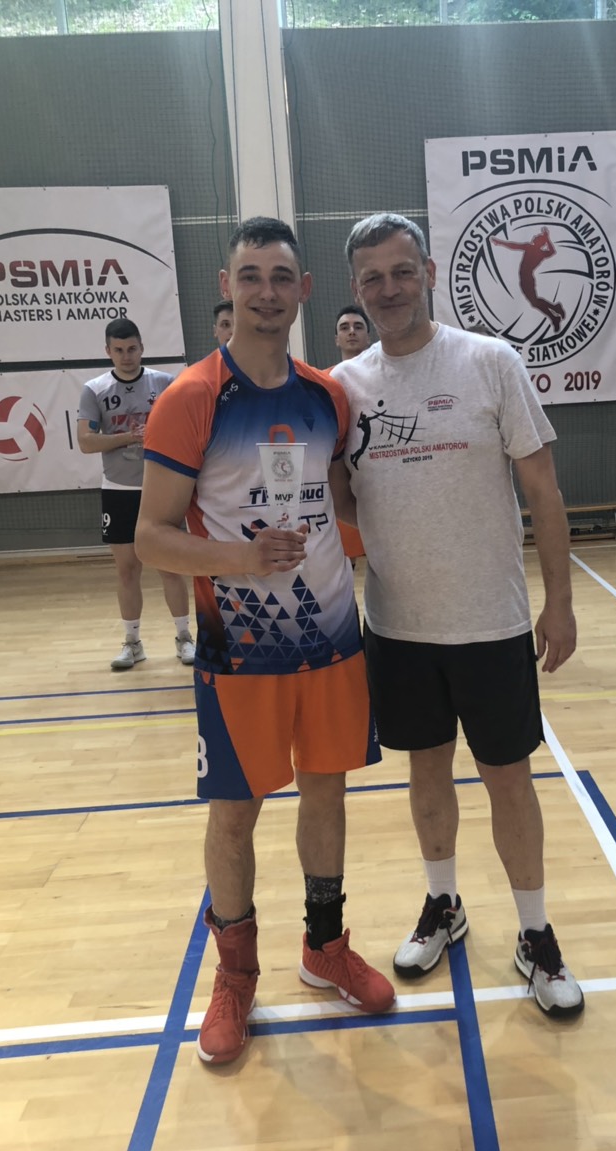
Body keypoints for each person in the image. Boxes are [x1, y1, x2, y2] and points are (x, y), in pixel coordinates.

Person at [135, 216, 394, 1066]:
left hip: (332, 638)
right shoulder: (192, 399)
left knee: (326, 795)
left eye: (282, 277)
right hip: (239, 652)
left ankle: (325, 947)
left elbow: (342, 502)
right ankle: (236, 975)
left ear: (304, 290)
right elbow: (151, 537)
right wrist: (241, 559)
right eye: (251, 276)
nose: (267, 292)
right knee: (235, 815)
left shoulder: (328, 397)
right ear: (227, 286)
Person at [330, 213, 583, 1020]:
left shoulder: (489, 362)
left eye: (402, 271)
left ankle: (535, 934)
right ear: (356, 289)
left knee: (509, 779)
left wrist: (559, 602)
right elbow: (341, 499)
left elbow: (543, 490)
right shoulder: (344, 386)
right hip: (398, 629)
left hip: (492, 624)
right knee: (426, 772)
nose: (389, 289)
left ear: (430, 273)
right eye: (373, 277)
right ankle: (444, 904)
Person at [77, 318, 195, 670]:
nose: (126, 356)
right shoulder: (94, 389)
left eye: (132, 349)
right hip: (118, 490)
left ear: (142, 348)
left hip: (161, 488)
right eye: (118, 350)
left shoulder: (165, 383)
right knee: (127, 569)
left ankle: (185, 637)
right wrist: (129, 437)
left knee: (170, 566)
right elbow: (86, 442)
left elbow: (186, 430)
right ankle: (132, 643)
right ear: (108, 351)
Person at [330, 306, 371, 562]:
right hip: (339, 476)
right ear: (337, 339)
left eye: (358, 327)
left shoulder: (385, 381)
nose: (351, 332)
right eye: (344, 328)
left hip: (375, 476)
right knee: (346, 558)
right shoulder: (323, 382)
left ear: (369, 337)